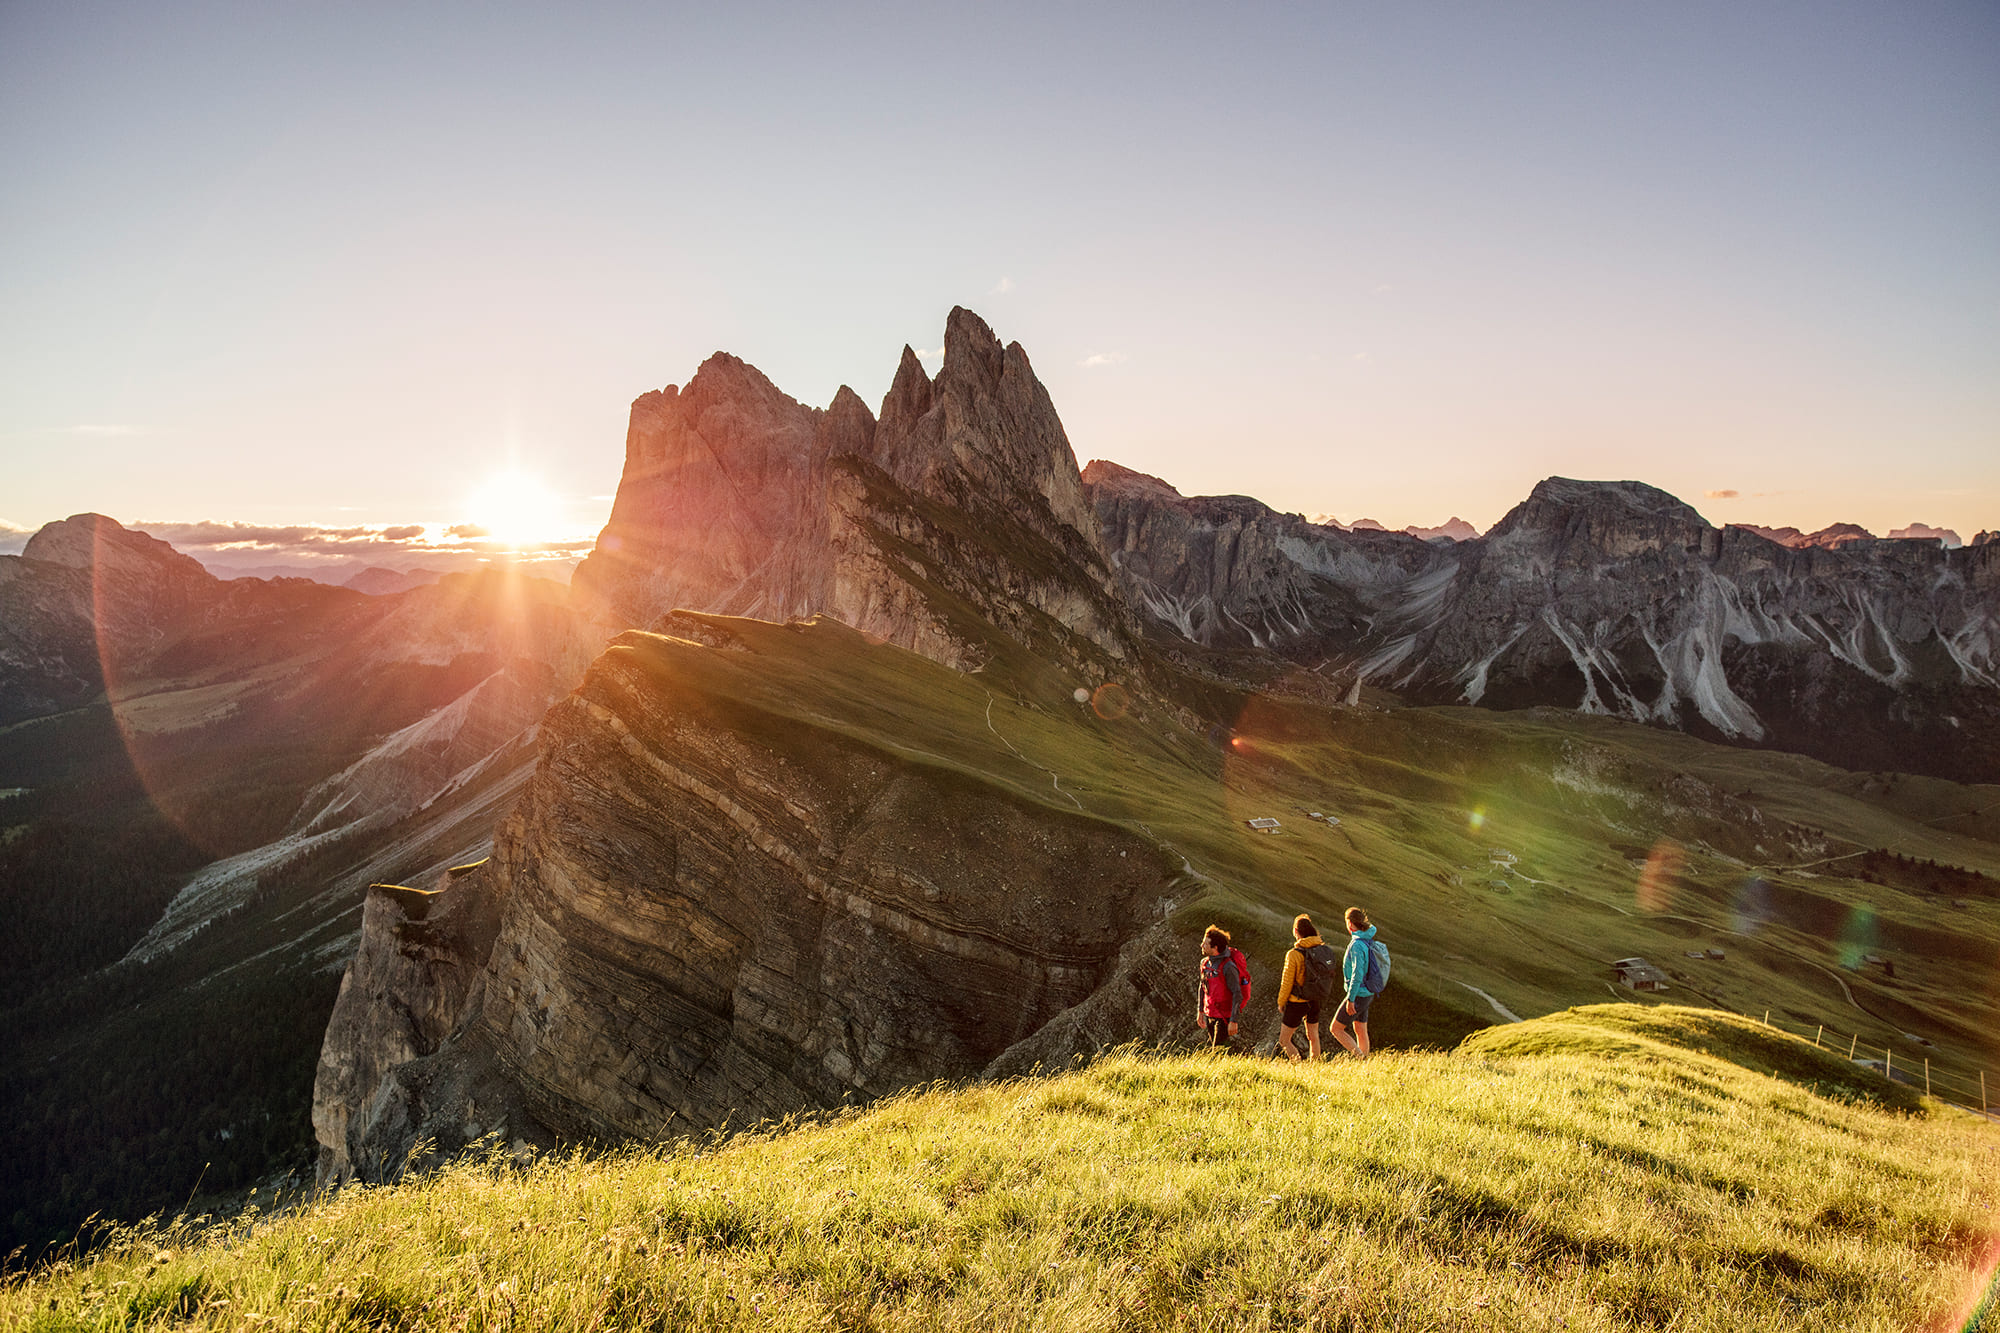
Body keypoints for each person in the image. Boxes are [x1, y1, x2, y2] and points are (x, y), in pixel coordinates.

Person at [1273, 913, 1339, 1061]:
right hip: (1316, 999)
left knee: (1284, 1040)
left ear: (1296, 932)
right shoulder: (1322, 950)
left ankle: (1299, 1067)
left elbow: (1287, 982)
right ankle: (1315, 1064)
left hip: (1297, 1001)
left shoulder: (1294, 954)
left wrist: (1281, 1002)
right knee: (1313, 1036)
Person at [1329, 907, 1378, 1058]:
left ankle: (1360, 1058)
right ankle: (1364, 1062)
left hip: (1358, 993)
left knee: (1336, 1029)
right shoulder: (1367, 939)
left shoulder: (1356, 944)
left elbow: (1357, 974)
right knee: (1360, 1029)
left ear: (1349, 924)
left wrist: (1351, 999)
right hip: (1368, 992)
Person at [1195, 924, 1247, 1052]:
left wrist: (1233, 1020)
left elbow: (1237, 993)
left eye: (1205, 944)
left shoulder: (1228, 967)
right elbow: (1202, 987)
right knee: (1218, 1050)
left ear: (1215, 947)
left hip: (1224, 1017)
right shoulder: (1205, 963)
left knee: (1218, 1051)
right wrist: (1200, 1011)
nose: (1201, 946)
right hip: (1210, 1014)